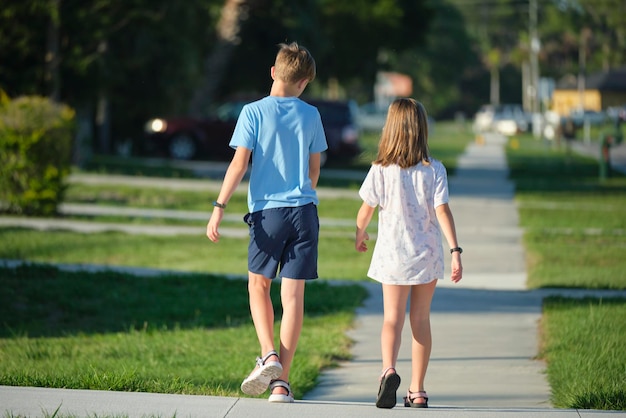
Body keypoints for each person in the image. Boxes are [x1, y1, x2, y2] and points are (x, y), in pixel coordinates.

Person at [206, 42, 327, 403]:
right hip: (305, 214)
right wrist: (301, 192)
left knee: (258, 286)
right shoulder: (311, 115)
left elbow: (239, 164)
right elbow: (314, 169)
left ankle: (267, 354)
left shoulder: (253, 112)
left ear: (273, 72)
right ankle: (281, 384)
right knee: (293, 298)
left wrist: (219, 206)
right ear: (305, 82)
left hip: (267, 215)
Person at [354, 98, 463, 409]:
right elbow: (442, 211)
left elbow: (365, 211)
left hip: (392, 255)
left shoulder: (380, 169)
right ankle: (417, 390)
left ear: (390, 129)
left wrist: (360, 234)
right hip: (426, 255)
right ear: (422, 129)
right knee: (420, 319)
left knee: (391, 319)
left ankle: (388, 370)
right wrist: (455, 250)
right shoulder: (435, 170)